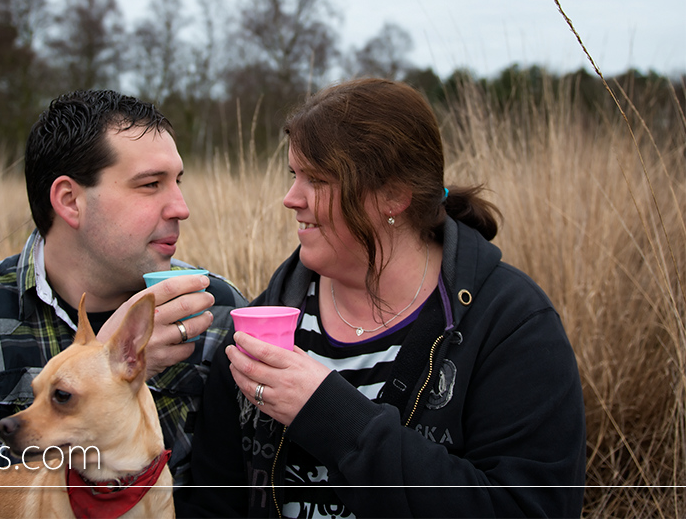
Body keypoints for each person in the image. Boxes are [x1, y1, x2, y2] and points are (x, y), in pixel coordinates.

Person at [179, 78, 586, 518]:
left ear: (394, 194)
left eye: (317, 179)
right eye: (293, 175)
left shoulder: (511, 324)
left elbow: (528, 508)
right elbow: (212, 504)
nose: (290, 198)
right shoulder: (263, 322)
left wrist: (332, 417)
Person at [0, 89, 246, 494]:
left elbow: (249, 491)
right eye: (150, 185)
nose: (181, 207)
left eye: (176, 181)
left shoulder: (213, 308)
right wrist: (98, 368)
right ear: (70, 201)